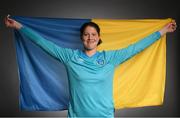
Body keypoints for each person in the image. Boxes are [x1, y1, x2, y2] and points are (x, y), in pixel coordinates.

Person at [5, 15, 176, 117]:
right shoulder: (69, 57)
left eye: (93, 34)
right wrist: (19, 26)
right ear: (81, 38)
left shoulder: (111, 57)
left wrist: (163, 31)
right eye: (86, 34)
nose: (90, 37)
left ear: (99, 37)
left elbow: (136, 47)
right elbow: (42, 43)